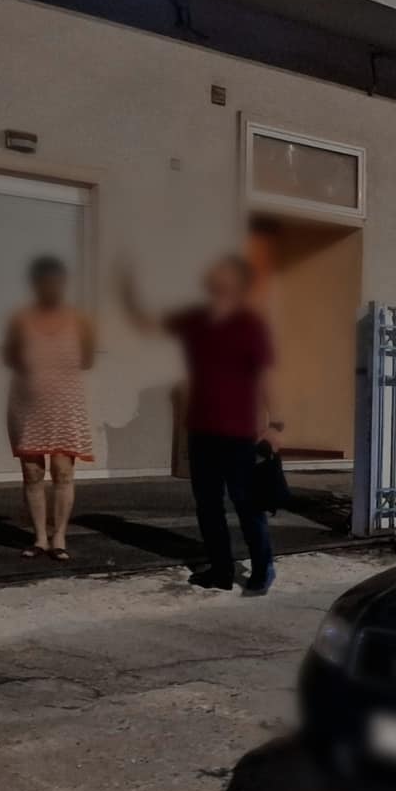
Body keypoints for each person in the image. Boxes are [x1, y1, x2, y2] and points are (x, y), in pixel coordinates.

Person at [121, 255, 281, 594]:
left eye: (224, 272)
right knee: (208, 507)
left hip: (240, 431)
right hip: (201, 429)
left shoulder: (250, 324)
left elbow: (266, 376)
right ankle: (221, 570)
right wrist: (129, 287)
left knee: (247, 504)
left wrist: (276, 424)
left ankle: (262, 567)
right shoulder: (194, 320)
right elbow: (147, 323)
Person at [3, 256, 96, 562]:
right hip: (27, 402)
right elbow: (10, 356)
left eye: (55, 281)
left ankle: (59, 537)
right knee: (32, 472)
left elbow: (87, 359)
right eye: (43, 281)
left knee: (62, 471)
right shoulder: (20, 319)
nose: (49, 287)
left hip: (64, 403)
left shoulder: (78, 320)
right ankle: (40, 538)